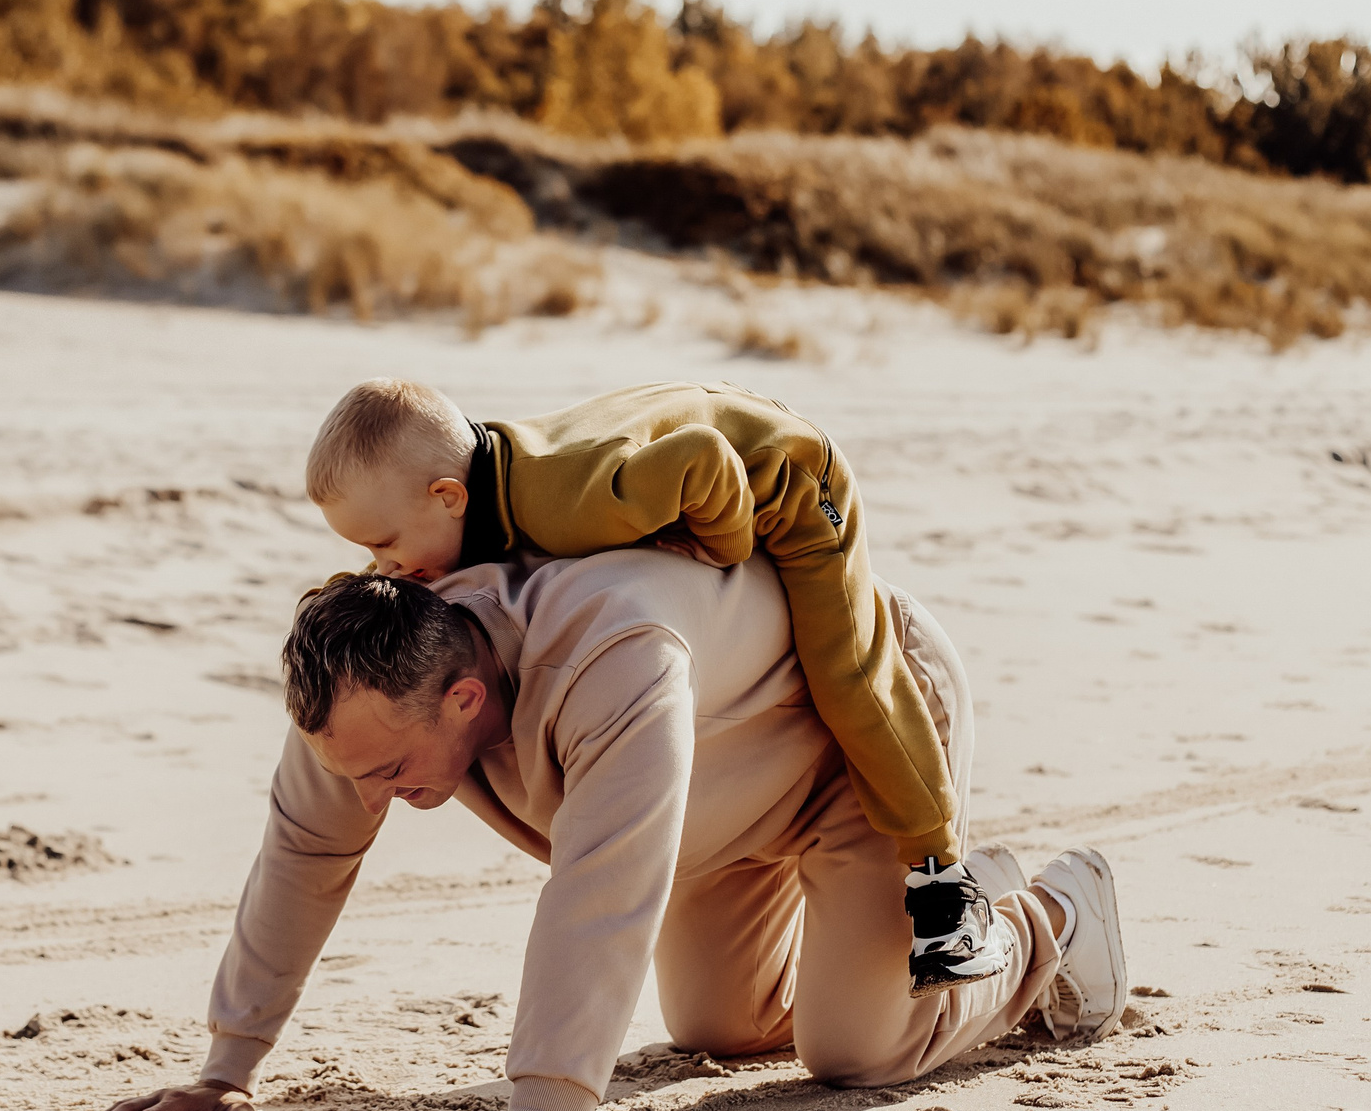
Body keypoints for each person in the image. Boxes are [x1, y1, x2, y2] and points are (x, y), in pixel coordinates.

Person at [83, 549, 1127, 1111]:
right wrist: (228, 1067)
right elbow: (303, 859)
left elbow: (604, 890)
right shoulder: (360, 700)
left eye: (392, 775)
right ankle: (922, 934)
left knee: (854, 1050)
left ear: (463, 696)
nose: (379, 800)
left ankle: (1047, 914)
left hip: (864, 736)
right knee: (719, 1027)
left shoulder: (610, 655)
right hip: (724, 799)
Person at [301, 377, 1008, 996]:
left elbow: (702, 462)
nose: (383, 569)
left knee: (850, 669)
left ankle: (941, 873)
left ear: (450, 496)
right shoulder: (467, 519)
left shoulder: (568, 501)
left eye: (383, 546)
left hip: (792, 482)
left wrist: (715, 552)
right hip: (683, 458)